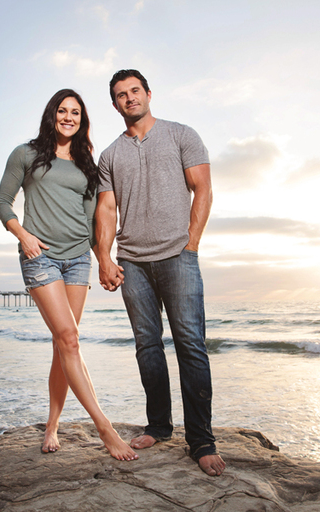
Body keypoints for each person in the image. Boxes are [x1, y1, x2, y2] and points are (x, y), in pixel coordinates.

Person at [95, 70, 226, 476]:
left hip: (177, 256)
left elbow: (202, 188)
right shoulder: (110, 155)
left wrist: (191, 243)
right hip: (132, 261)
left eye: (135, 91)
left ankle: (201, 440)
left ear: (149, 94)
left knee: (190, 343)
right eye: (121, 95)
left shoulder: (181, 134)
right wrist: (104, 256)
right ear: (115, 104)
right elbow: (106, 209)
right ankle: (159, 426)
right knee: (147, 346)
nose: (130, 98)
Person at [0, 89, 137, 461]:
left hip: (77, 259)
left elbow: (92, 223)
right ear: (52, 114)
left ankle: (53, 424)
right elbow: (2, 203)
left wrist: (104, 260)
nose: (68, 118)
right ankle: (104, 428)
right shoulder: (25, 154)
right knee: (70, 340)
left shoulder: (86, 163)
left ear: (82, 120)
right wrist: (23, 235)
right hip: (40, 257)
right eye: (63, 111)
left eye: (75, 113)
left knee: (64, 345)